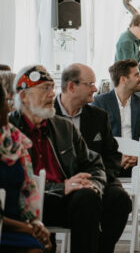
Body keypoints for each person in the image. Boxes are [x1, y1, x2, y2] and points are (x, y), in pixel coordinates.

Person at [9, 64, 106, 252]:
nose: (52, 94)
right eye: (45, 88)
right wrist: (63, 187)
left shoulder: (64, 127)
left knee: (101, 198)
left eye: (52, 88)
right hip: (27, 205)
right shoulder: (9, 129)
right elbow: (15, 184)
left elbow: (94, 163)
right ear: (23, 96)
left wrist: (92, 184)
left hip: (64, 200)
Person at [54, 63, 132, 253]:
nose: (95, 89)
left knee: (121, 200)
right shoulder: (48, 115)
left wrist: (97, 178)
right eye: (90, 84)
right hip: (60, 180)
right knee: (85, 202)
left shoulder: (98, 116)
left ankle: (102, 249)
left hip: (100, 177)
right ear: (72, 87)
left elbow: (112, 155)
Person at [93, 59, 140, 245]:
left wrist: (139, 153)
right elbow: (95, 137)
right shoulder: (99, 102)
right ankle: (100, 222)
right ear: (123, 79)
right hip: (110, 158)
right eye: (136, 75)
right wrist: (118, 157)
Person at [0, 83, 51, 253]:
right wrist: (30, 229)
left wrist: (35, 223)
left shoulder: (14, 139)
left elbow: (29, 188)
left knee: (37, 248)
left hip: (17, 222)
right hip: (10, 226)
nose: (8, 105)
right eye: (4, 101)